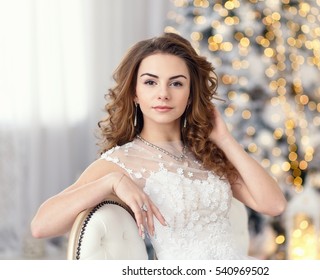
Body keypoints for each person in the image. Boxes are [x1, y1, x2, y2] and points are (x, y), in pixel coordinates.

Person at [31, 32, 286, 259]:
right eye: (150, 82)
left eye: (176, 83)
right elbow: (41, 225)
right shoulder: (123, 160)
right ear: (134, 93)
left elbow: (273, 205)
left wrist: (224, 139)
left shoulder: (207, 153)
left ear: (190, 95)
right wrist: (111, 182)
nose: (163, 93)